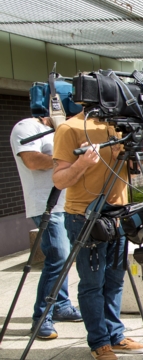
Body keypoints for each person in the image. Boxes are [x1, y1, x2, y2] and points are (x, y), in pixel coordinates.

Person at [53, 112, 143, 360]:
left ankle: (115, 335)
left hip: (119, 215)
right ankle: (99, 341)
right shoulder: (69, 128)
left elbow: (133, 175)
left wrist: (124, 157)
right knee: (93, 283)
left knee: (115, 279)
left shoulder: (119, 126)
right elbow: (59, 180)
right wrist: (82, 163)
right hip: (85, 216)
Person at [10, 116, 82, 339]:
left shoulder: (62, 129)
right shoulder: (26, 127)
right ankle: (41, 317)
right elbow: (31, 160)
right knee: (58, 256)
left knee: (65, 257)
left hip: (67, 203)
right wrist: (64, 161)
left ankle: (61, 305)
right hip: (45, 204)